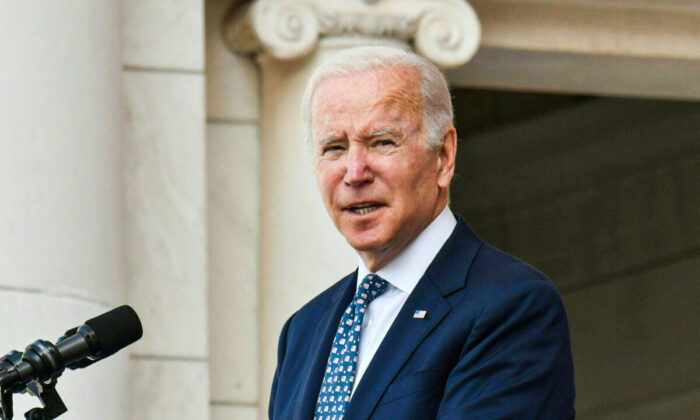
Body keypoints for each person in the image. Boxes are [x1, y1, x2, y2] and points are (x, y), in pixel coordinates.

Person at [268, 46, 575, 420]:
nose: (354, 173)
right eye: (334, 148)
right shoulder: (303, 331)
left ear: (443, 156)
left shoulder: (512, 306)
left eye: (381, 142)